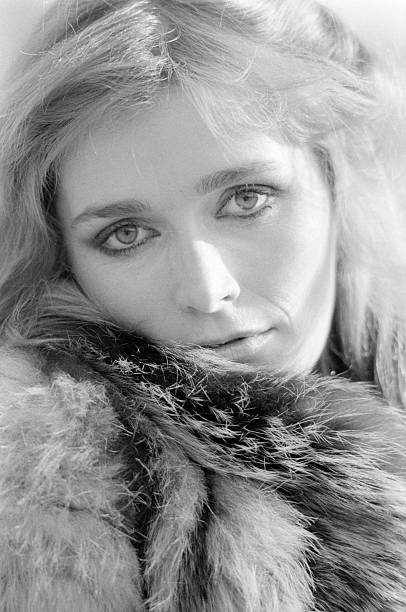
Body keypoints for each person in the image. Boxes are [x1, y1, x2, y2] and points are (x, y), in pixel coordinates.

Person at [0, 0, 405, 610]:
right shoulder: (48, 492)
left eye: (247, 199)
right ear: (61, 257)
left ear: (336, 179)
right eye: (127, 234)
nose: (206, 289)